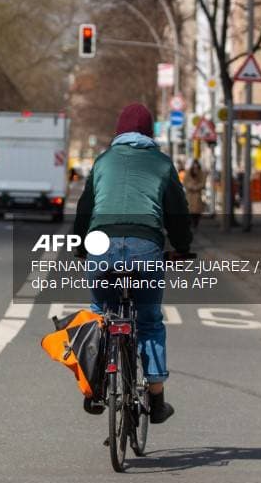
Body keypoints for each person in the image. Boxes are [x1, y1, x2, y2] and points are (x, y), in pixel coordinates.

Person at [73, 102, 193, 425]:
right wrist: (182, 247)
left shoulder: (102, 162)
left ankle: (94, 388)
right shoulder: (162, 164)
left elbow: (85, 209)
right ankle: (156, 400)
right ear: (150, 132)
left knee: (99, 316)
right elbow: (178, 213)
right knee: (150, 320)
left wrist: (79, 247)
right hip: (145, 248)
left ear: (118, 131)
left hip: (101, 247)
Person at [184, 160, 206, 228]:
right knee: (190, 211)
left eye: (196, 167)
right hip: (190, 195)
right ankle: (191, 224)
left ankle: (195, 224)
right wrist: (190, 186)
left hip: (197, 195)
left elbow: (203, 183)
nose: (195, 168)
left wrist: (196, 187)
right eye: (194, 166)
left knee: (197, 212)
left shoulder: (201, 173)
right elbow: (185, 182)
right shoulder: (188, 173)